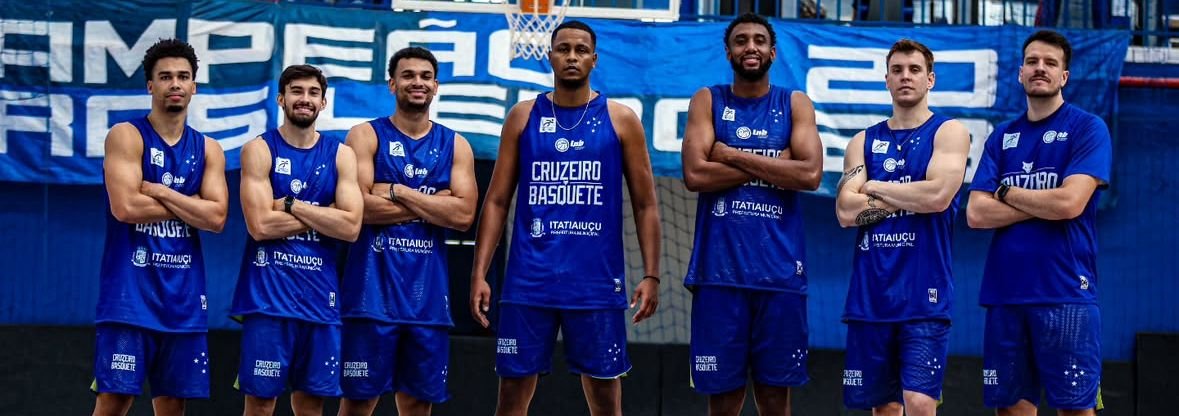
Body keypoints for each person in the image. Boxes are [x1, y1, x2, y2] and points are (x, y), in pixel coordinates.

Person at [468, 20, 662, 416]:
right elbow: (497, 200)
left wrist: (652, 275)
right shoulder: (523, 116)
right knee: (510, 400)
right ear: (550, 56)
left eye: (580, 50)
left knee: (605, 402)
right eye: (563, 49)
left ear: (594, 59)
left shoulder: (621, 119)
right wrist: (479, 273)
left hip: (595, 284)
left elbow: (646, 205)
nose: (572, 56)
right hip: (528, 282)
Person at [680, 12, 823, 416]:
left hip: (779, 275)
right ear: (728, 52)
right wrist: (776, 163)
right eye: (741, 40)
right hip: (718, 274)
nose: (750, 47)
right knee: (723, 399)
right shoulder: (708, 99)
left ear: (773, 52)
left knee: (775, 398)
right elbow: (695, 175)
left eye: (759, 40)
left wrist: (728, 154)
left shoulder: (794, 103)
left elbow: (809, 175)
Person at [966, 30, 1111, 416]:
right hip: (1006, 295)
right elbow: (976, 214)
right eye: (1032, 61)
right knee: (1010, 409)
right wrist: (1047, 203)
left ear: (1064, 76)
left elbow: (1069, 203)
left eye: (1050, 63)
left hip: (1066, 294)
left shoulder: (1088, 128)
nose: (1040, 68)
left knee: (1076, 410)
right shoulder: (1002, 137)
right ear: (1020, 73)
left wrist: (1005, 192)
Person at [337, 47, 478, 416]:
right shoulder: (365, 135)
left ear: (436, 85)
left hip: (427, 301)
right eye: (408, 75)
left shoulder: (455, 144)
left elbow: (464, 215)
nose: (418, 82)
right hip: (370, 298)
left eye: (426, 76)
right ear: (392, 84)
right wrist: (435, 203)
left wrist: (398, 192)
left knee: (417, 405)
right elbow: (359, 209)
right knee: (358, 404)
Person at [834, 39, 971, 416]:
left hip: (924, 295)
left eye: (914, 70)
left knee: (920, 403)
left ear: (930, 79)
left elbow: (938, 196)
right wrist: (912, 193)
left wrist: (875, 186)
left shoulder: (949, 132)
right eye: (897, 70)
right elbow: (845, 211)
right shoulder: (862, 141)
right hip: (871, 294)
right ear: (886, 80)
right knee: (884, 408)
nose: (905, 77)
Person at [92, 38, 228, 416]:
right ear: (150, 85)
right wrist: (192, 203)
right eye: (165, 77)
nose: (175, 84)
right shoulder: (126, 135)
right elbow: (126, 207)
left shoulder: (209, 149)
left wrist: (161, 191)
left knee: (172, 405)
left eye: (183, 76)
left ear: (194, 86)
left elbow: (217, 218)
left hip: (183, 300)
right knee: (114, 401)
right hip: (129, 297)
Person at [230, 64, 364, 416]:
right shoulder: (259, 149)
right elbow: (260, 225)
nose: (305, 99)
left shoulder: (341, 155)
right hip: (269, 299)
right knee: (260, 405)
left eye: (313, 93)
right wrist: (325, 214)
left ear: (323, 102)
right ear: (281, 98)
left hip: (320, 299)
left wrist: (291, 205)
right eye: (297, 91)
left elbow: (351, 226)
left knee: (311, 405)